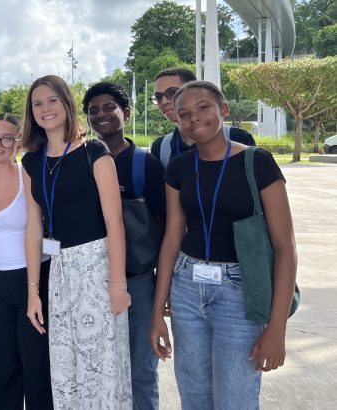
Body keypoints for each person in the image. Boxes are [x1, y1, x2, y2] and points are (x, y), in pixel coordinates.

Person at [149, 81, 297, 409]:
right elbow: (172, 239)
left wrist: (277, 327)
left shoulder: (257, 163)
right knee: (194, 397)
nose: (194, 118)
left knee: (235, 398)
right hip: (187, 289)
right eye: (184, 114)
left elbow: (285, 247)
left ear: (223, 110)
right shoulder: (179, 168)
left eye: (203, 107)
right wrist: (157, 311)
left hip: (239, 290)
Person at [21, 74, 132, 408]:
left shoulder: (94, 152)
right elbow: (33, 227)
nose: (45, 109)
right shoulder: (31, 162)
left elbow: (114, 223)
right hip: (58, 272)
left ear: (67, 103)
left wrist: (117, 285)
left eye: (52, 100)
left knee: (102, 365)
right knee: (66, 367)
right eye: (37, 103)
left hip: (98, 268)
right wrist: (32, 291)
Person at [84, 82, 166, 410]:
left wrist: (165, 285)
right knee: (97, 365)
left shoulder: (145, 164)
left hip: (138, 280)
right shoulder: (81, 160)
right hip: (91, 279)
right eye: (93, 110)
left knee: (141, 366)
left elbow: (163, 224)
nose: (100, 115)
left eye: (109, 108)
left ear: (126, 113)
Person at [0, 113, 54, 410]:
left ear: (18, 143)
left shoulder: (27, 173)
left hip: (35, 276)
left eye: (7, 138)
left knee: (37, 364)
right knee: (2, 365)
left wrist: (33, 290)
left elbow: (37, 226)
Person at [150, 67, 256, 168]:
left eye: (172, 92)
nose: (164, 101)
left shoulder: (237, 137)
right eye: (158, 97)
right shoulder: (161, 147)